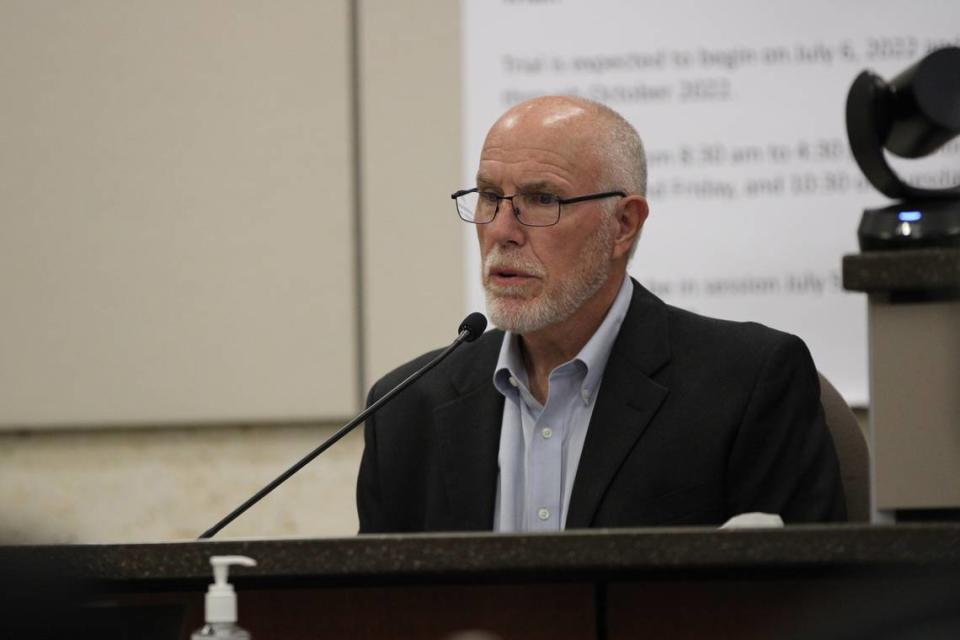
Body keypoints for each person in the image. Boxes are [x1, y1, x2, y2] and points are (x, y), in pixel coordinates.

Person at [357, 95, 845, 533]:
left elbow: (812, 603)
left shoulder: (747, 384)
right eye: (489, 197)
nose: (502, 230)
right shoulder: (405, 409)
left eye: (542, 199)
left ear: (623, 225)